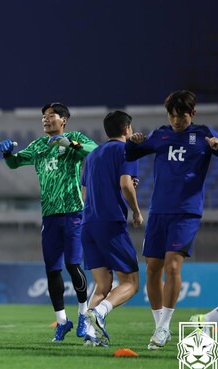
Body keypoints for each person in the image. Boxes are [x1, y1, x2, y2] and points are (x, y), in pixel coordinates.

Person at [125, 90, 218, 350]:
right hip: (159, 212)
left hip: (186, 212)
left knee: (172, 267)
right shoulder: (160, 135)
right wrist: (133, 141)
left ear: (192, 114)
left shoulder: (205, 135)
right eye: (171, 116)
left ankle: (162, 328)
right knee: (151, 270)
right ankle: (160, 325)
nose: (175, 121)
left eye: (180, 116)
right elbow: (131, 153)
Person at [0, 102, 97, 342]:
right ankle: (62, 321)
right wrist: (7, 153)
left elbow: (94, 151)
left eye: (51, 116)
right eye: (43, 116)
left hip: (73, 211)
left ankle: (84, 315)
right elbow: (15, 163)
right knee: (52, 269)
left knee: (73, 266)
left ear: (63, 120)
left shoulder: (74, 138)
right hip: (49, 215)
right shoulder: (39, 145)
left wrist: (70, 144)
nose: (45, 119)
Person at [80, 111, 143, 347]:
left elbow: (86, 192)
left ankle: (90, 335)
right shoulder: (126, 150)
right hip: (110, 222)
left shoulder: (94, 154)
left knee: (102, 285)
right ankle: (99, 314)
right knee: (130, 282)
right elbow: (126, 185)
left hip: (88, 223)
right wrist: (136, 211)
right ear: (127, 128)